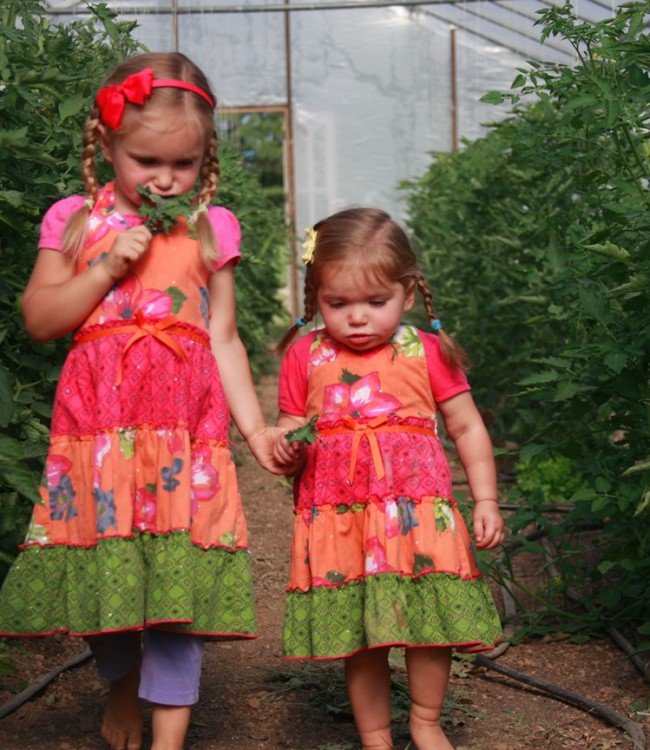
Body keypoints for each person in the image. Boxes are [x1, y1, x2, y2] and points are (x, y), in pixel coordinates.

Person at [0, 52, 288, 750]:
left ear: (204, 158)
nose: (164, 179)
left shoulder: (212, 227)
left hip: (183, 437)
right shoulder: (76, 220)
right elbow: (40, 318)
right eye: (145, 160)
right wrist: (105, 266)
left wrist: (253, 429)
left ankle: (169, 738)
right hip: (99, 434)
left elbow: (223, 336)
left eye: (182, 165)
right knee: (110, 568)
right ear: (107, 147)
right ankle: (121, 685)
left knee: (179, 576)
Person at [273, 208, 505, 750]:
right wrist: (286, 445)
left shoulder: (425, 350)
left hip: (418, 514)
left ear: (405, 292)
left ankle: (425, 721)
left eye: (375, 302)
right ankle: (375, 735)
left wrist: (486, 497)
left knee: (428, 627)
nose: (358, 318)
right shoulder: (305, 355)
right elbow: (289, 426)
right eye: (338, 304)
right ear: (316, 296)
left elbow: (467, 427)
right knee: (363, 636)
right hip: (343, 518)